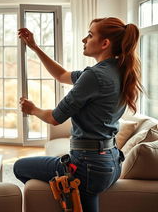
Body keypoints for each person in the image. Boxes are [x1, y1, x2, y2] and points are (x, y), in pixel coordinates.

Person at [13, 17, 143, 212]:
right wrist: (35, 47)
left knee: (19, 167)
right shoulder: (118, 70)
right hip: (113, 163)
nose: (84, 39)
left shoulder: (94, 76)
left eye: (90, 35)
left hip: (88, 167)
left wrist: (32, 110)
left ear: (105, 43)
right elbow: (62, 75)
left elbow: (54, 118)